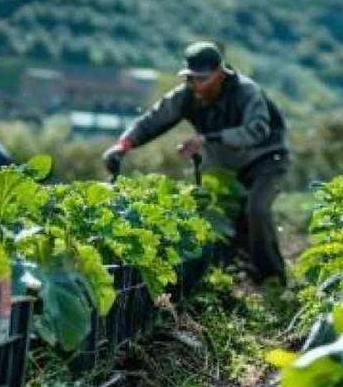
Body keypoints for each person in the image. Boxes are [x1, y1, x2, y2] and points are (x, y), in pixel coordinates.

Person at [102, 42, 291, 280]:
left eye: (203, 79)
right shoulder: (187, 95)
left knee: (257, 210)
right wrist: (123, 145)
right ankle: (239, 272)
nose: (196, 85)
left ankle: (273, 278)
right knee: (226, 217)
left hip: (267, 160)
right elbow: (154, 119)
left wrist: (208, 138)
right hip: (227, 167)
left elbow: (257, 130)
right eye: (191, 78)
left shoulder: (246, 92)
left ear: (220, 74)